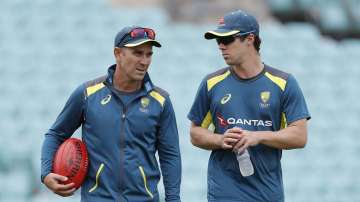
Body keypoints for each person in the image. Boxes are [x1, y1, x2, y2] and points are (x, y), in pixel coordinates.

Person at [41, 26, 182, 202]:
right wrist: (46, 174)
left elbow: (170, 155)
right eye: (137, 53)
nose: (144, 61)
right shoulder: (87, 94)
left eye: (149, 54)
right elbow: (55, 134)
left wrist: (173, 199)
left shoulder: (161, 101)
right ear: (118, 53)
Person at [188, 10, 310, 202]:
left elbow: (299, 136)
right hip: (224, 192)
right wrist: (220, 140)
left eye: (227, 39)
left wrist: (257, 136)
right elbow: (195, 133)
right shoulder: (211, 83)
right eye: (217, 40)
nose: (221, 46)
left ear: (250, 39)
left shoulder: (283, 83)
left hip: (267, 193)